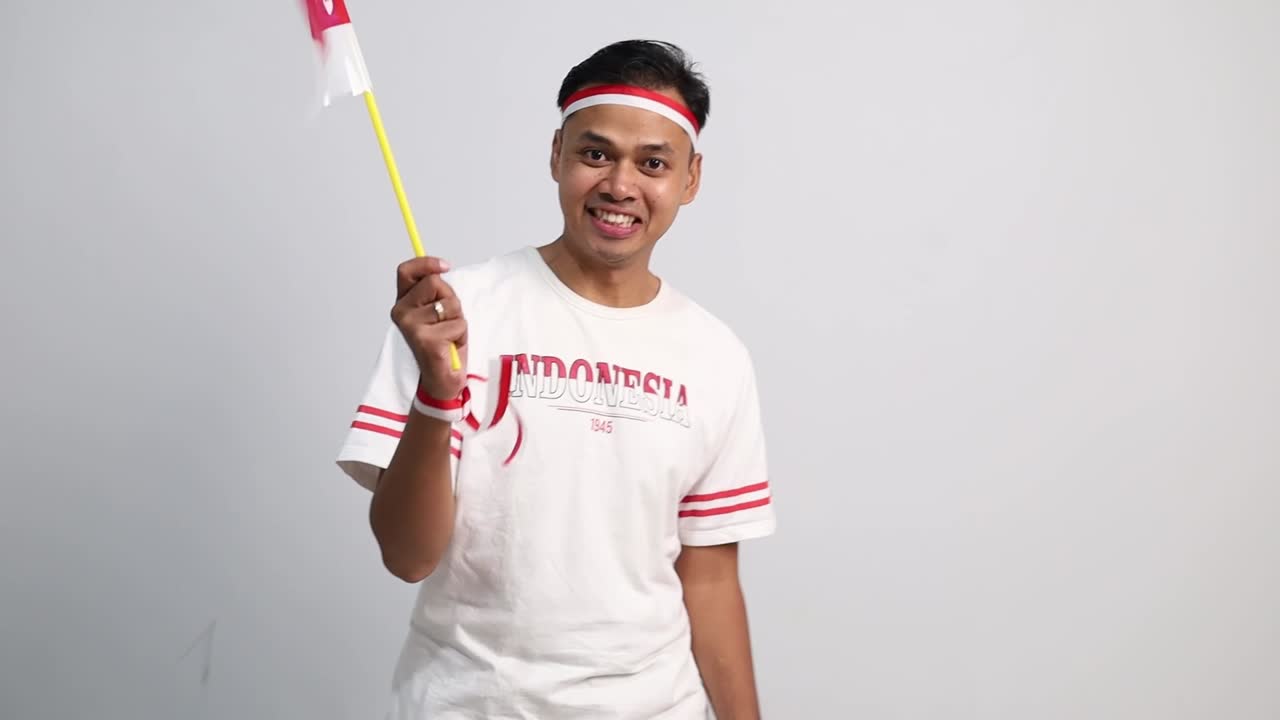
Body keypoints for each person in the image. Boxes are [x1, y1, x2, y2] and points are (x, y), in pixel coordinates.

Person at [335, 39, 777, 719]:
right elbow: (407, 555)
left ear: (689, 180)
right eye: (595, 154)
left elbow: (712, 583)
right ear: (556, 156)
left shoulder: (716, 356)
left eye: (652, 163)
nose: (620, 186)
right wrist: (437, 394)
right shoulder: (454, 314)